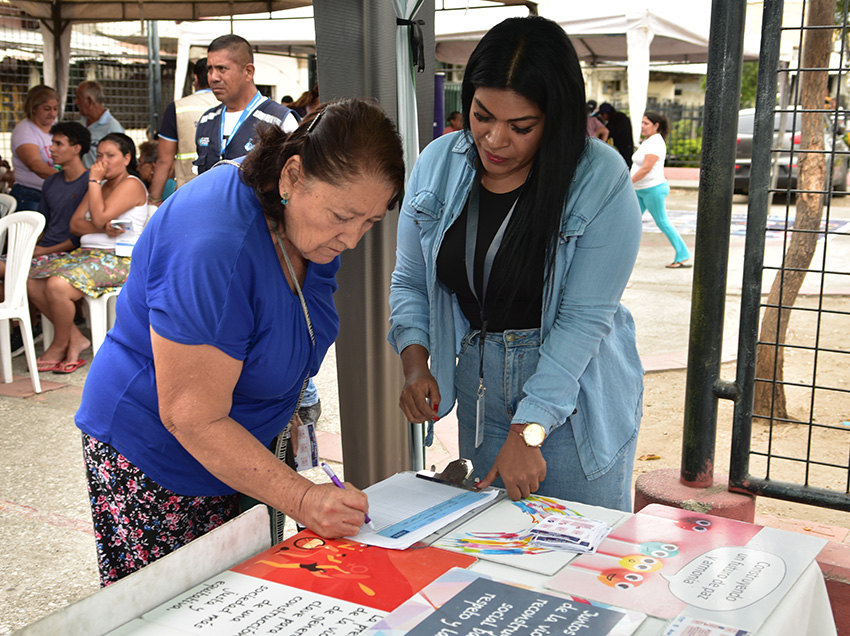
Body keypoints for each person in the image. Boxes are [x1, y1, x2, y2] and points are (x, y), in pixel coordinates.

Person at [74, 98, 405, 586]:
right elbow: (190, 414)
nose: (352, 239)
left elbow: (288, 328)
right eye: (343, 217)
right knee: (179, 612)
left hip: (243, 456)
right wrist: (303, 497)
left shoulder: (309, 224)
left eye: (370, 222)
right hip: (159, 461)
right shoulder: (215, 246)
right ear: (292, 177)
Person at [388, 16, 644, 511]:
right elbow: (411, 280)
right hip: (480, 388)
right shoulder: (439, 162)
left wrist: (529, 430)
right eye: (482, 116)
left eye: (520, 126)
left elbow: (582, 322)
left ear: (557, 118)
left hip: (574, 394)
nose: (495, 140)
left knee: (578, 560)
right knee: (490, 553)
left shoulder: (598, 178)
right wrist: (415, 363)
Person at [28, 133, 148, 374]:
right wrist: (102, 225)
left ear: (126, 158)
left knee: (57, 286)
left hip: (118, 259)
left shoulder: (130, 184)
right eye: (100, 155)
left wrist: (93, 184)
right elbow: (75, 224)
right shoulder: (101, 185)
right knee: (32, 279)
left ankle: (60, 344)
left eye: (110, 156)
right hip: (87, 254)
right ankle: (75, 338)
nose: (103, 162)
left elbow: (99, 215)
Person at [194, 35, 299, 175]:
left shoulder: (280, 120)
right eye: (210, 69)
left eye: (222, 69)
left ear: (248, 72)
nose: (213, 77)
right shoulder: (207, 120)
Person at [149, 58, 219, 204]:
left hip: (188, 193)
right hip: (225, 192)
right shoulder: (232, 105)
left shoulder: (178, 108)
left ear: (195, 79)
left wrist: (154, 199)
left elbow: (164, 160)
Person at [632, 111, 691, 268]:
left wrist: (627, 184)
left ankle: (683, 254)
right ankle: (622, 254)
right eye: (642, 123)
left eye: (646, 124)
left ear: (656, 125)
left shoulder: (656, 143)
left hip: (652, 189)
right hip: (641, 189)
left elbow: (646, 169)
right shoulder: (648, 141)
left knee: (662, 222)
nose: (642, 127)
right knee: (631, 221)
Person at [10, 85, 59, 211]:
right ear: (34, 109)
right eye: (47, 109)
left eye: (55, 108)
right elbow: (34, 164)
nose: (52, 113)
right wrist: (65, 177)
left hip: (52, 193)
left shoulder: (56, 127)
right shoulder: (25, 130)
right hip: (29, 195)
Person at [75, 81, 125, 168]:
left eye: (79, 98)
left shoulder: (112, 128)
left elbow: (120, 163)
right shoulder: (81, 124)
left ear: (90, 101)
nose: (76, 102)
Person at [597, 102, 634, 167]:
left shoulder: (617, 120)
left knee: (625, 165)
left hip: (624, 146)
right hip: (625, 145)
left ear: (605, 114)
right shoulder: (619, 117)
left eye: (601, 115)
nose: (601, 117)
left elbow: (609, 132)